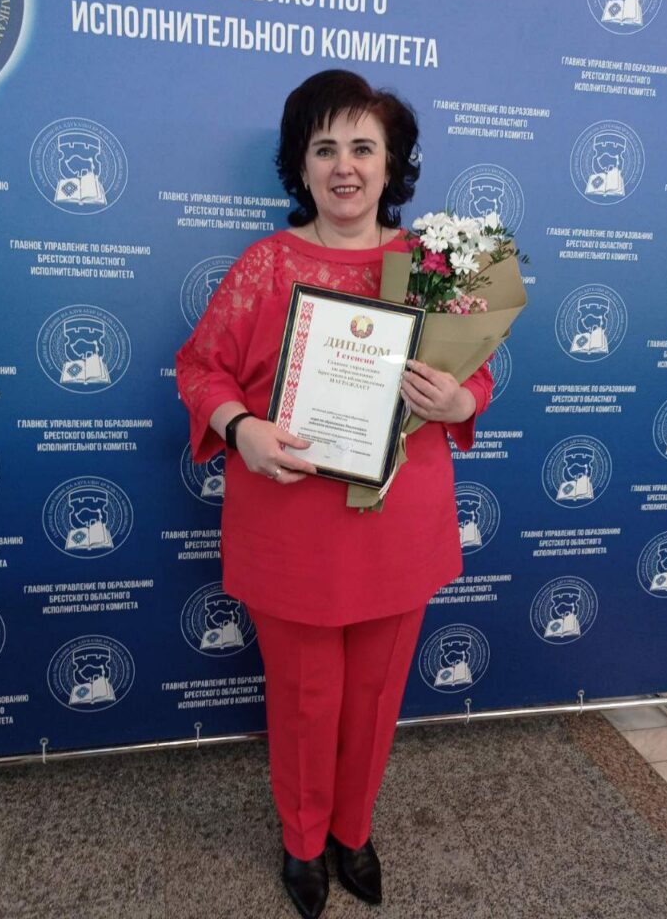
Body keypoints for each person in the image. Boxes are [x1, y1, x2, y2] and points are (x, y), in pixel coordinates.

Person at [176, 70, 493, 919]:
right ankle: (303, 840)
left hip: (397, 523)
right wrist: (240, 428)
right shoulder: (266, 265)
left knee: (377, 693)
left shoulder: (431, 269)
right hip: (292, 525)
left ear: (392, 164)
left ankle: (354, 831)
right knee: (305, 697)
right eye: (324, 149)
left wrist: (459, 402)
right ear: (302, 166)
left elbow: (476, 375)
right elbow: (199, 369)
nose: (344, 166)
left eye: (362, 147)